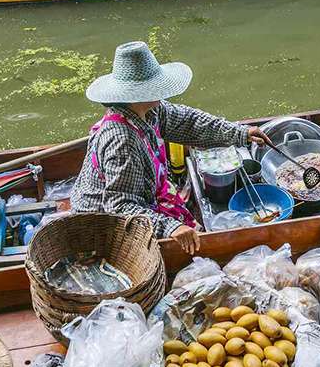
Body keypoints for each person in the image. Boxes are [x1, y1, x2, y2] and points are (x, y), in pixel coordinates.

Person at [70, 41, 269, 254]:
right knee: (192, 243)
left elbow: (191, 122)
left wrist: (240, 133)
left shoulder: (151, 111)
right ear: (139, 93)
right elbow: (121, 206)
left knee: (195, 233)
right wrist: (170, 227)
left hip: (143, 196)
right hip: (105, 222)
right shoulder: (122, 140)